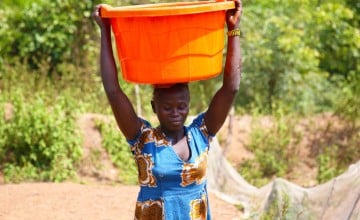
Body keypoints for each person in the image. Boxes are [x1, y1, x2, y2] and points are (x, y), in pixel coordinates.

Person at [92, 0, 242, 218]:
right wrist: (105, 31)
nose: (175, 112)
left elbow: (231, 87)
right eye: (167, 107)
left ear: (189, 105)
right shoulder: (143, 139)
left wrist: (233, 29)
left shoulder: (202, 133)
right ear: (154, 107)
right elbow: (113, 91)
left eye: (181, 106)